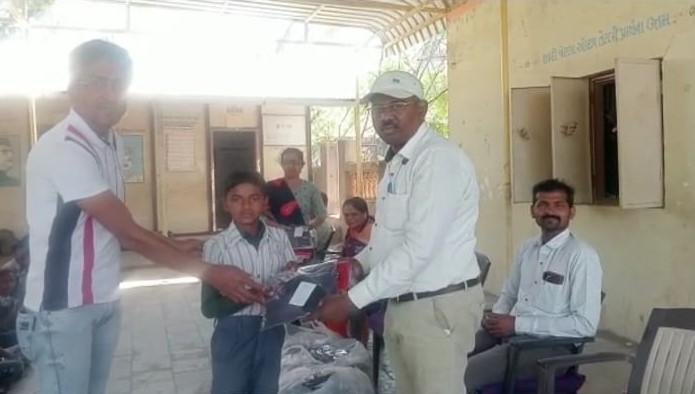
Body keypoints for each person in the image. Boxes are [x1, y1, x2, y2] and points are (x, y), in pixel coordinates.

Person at [20, 39, 266, 394]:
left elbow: (116, 226)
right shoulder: (65, 147)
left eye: (118, 84)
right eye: (96, 82)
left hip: (103, 297)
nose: (109, 94)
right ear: (72, 86)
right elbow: (130, 234)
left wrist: (171, 245)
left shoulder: (110, 142)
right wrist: (212, 274)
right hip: (62, 308)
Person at [315, 70, 483, 394]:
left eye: (397, 105)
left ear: (422, 109)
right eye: (378, 108)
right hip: (404, 304)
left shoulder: (437, 160)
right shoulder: (399, 161)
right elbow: (387, 238)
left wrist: (352, 301)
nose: (386, 116)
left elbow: (418, 249)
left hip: (436, 307)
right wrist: (355, 266)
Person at [465, 179, 603, 391]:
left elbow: (585, 325)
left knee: (463, 376)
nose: (550, 211)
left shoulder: (582, 256)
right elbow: (510, 293)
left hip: (551, 347)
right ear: (533, 211)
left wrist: (517, 324)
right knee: (447, 361)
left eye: (559, 205)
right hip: (513, 335)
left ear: (572, 212)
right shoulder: (527, 248)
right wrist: (497, 317)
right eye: (543, 205)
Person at [201, 171, 296, 394]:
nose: (246, 207)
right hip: (233, 333)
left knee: (266, 388)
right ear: (225, 204)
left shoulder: (279, 238)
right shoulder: (216, 246)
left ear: (265, 203)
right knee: (229, 388)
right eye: (236, 199)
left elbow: (290, 282)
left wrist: (292, 280)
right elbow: (208, 308)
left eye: (254, 199)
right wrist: (248, 297)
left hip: (272, 330)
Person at [265, 148, 327, 230]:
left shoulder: (310, 188)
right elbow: (262, 215)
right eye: (287, 162)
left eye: (294, 162)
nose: (291, 166)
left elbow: (321, 215)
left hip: (302, 237)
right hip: (276, 236)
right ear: (282, 164)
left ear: (302, 164)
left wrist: (306, 228)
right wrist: (280, 228)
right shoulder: (271, 187)